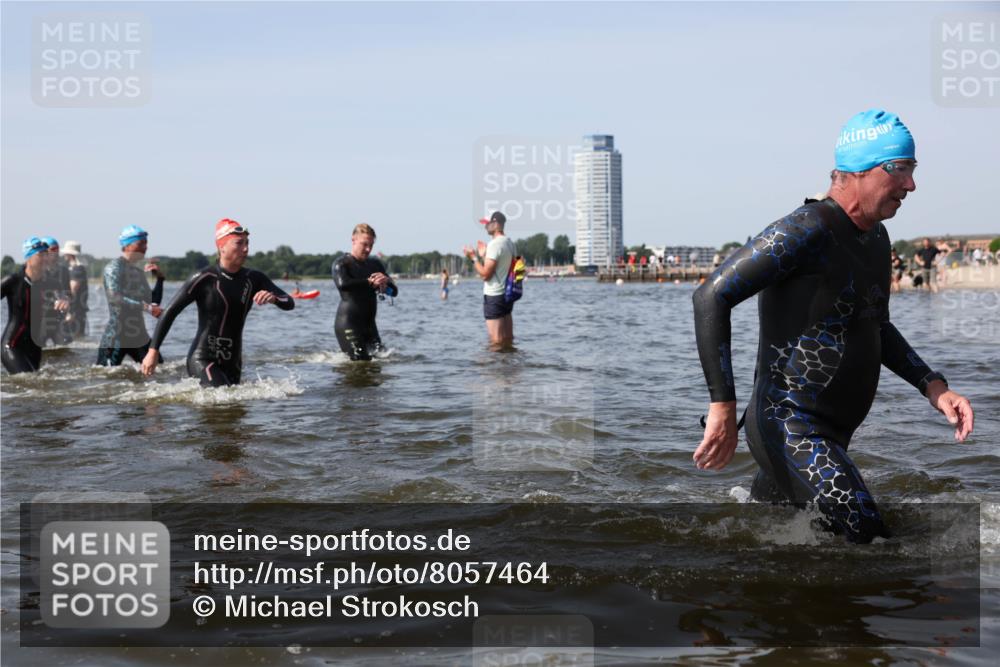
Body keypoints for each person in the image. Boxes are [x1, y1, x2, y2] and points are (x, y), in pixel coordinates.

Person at [692, 109, 974, 543]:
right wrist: (722, 408)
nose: (911, 185)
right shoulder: (806, 229)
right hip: (790, 425)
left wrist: (934, 386)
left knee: (765, 540)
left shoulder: (875, 238)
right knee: (873, 541)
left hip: (831, 433)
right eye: (899, 169)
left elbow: (876, 325)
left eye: (913, 170)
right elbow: (712, 295)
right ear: (859, 170)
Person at [142, 219, 294, 386]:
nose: (246, 249)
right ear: (222, 247)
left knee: (233, 406)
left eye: (247, 243)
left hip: (234, 362)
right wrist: (152, 351)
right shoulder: (204, 278)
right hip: (203, 359)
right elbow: (170, 313)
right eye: (239, 243)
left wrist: (273, 298)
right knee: (222, 398)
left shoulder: (254, 278)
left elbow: (289, 302)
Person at [97, 225, 165, 366]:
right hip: (116, 337)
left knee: (161, 369)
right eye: (141, 243)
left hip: (139, 335)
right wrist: (147, 308)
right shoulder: (113, 267)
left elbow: (154, 301)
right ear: (126, 246)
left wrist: (159, 278)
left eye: (146, 243)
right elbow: (114, 297)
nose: (145, 247)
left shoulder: (137, 272)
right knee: (104, 378)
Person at [331, 223, 397, 361]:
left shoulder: (375, 264)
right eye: (364, 244)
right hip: (348, 323)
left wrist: (386, 284)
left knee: (382, 359)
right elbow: (343, 285)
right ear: (353, 240)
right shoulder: (342, 263)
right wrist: (369, 282)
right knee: (360, 360)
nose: (368, 249)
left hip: (369, 326)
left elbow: (394, 292)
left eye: (371, 245)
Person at [2, 238, 66, 373]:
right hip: (12, 345)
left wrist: (63, 301)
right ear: (28, 258)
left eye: (46, 254)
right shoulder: (13, 281)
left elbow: (60, 296)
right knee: (26, 380)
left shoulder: (51, 282)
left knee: (36, 387)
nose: (45, 258)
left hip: (35, 346)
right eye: (40, 255)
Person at [465, 211, 516, 348]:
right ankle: (509, 366)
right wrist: (484, 256)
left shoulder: (494, 244)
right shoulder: (510, 243)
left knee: (496, 341)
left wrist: (473, 258)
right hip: (507, 295)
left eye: (487, 223)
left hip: (494, 296)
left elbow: (485, 275)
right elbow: (500, 269)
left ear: (496, 223)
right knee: (507, 339)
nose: (485, 226)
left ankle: (496, 369)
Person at [36, 236, 73, 346]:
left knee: (66, 349)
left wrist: (69, 310)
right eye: (53, 249)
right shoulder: (36, 272)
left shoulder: (64, 271)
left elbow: (68, 294)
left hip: (58, 318)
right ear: (45, 252)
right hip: (41, 318)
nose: (56, 252)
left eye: (57, 249)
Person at [61, 240, 89, 339]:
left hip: (75, 312)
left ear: (70, 254)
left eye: (66, 252)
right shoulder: (74, 269)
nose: (64, 254)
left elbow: (72, 291)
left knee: (75, 339)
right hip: (77, 311)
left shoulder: (77, 270)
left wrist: (70, 312)